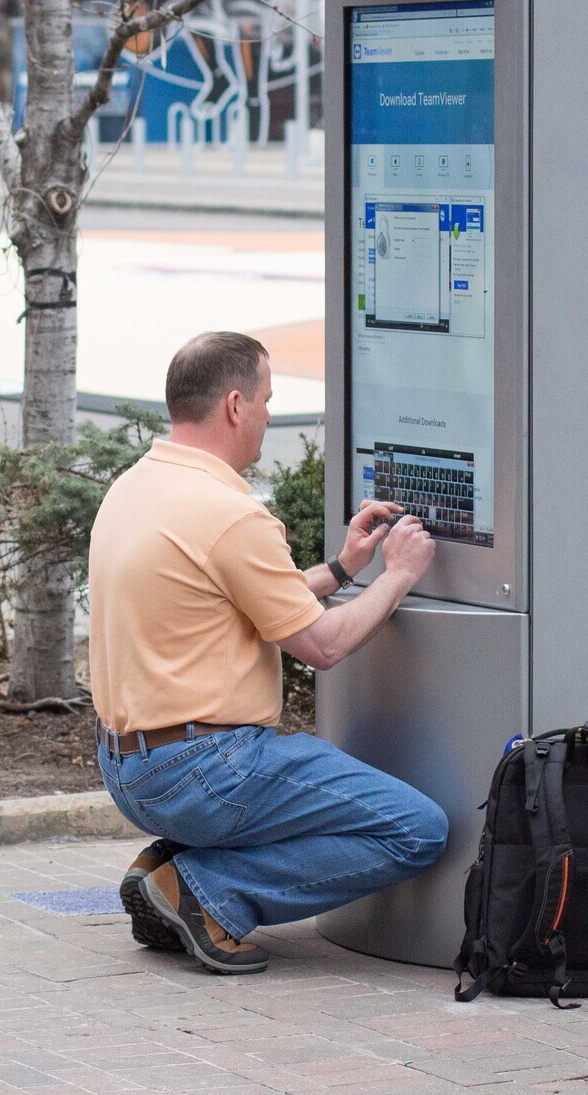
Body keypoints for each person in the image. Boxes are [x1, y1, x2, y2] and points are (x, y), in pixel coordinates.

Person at [88, 331, 447, 975]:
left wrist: (342, 567)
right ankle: (207, 891)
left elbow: (235, 597)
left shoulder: (138, 486)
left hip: (130, 769)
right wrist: (398, 573)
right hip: (202, 772)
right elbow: (323, 644)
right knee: (415, 827)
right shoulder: (228, 512)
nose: (269, 415)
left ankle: (168, 868)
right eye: (267, 399)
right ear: (233, 405)